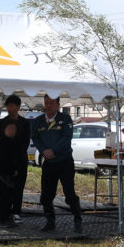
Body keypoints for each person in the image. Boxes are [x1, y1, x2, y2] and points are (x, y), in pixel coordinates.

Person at [31, 94, 82, 233]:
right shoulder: (38, 121)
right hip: (48, 162)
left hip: (64, 162)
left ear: (58, 105)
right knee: (46, 195)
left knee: (69, 194)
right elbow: (35, 137)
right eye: (46, 102)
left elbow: (67, 137)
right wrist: (43, 151)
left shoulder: (65, 119)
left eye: (52, 103)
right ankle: (50, 221)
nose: (48, 105)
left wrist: (53, 150)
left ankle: (77, 219)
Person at [0, 94, 31, 223]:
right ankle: (5, 213)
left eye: (12, 106)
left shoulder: (25, 122)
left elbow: (25, 142)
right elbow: (1, 141)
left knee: (19, 186)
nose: (9, 109)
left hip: (20, 159)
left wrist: (18, 156)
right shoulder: (2, 122)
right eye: (8, 106)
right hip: (6, 160)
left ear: (18, 107)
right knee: (5, 188)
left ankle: (17, 211)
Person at [0, 120, 21, 227]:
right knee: (3, 198)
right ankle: (2, 219)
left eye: (14, 129)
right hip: (2, 174)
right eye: (9, 129)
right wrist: (11, 171)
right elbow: (3, 160)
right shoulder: (2, 142)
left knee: (10, 198)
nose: (12, 131)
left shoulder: (14, 141)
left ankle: (8, 218)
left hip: (11, 174)